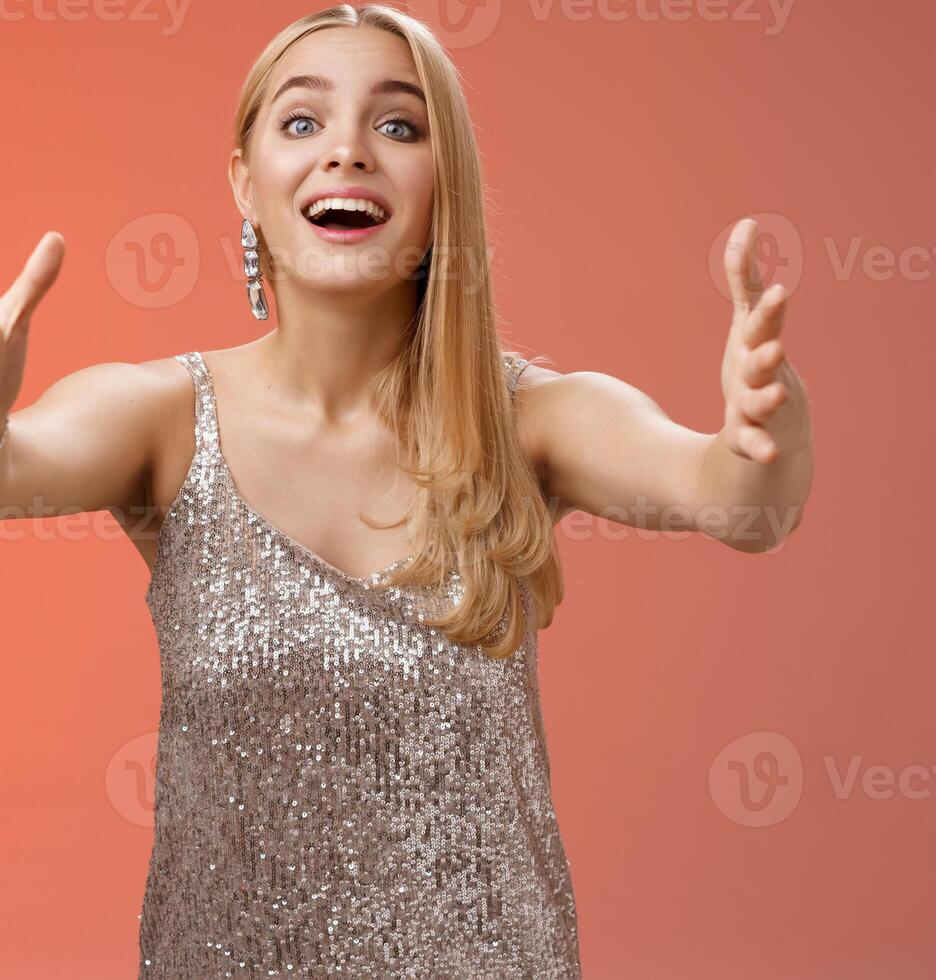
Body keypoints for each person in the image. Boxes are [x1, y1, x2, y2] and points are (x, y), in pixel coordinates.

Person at [0, 5, 814, 975]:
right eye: (302, 123)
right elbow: (17, 468)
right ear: (243, 182)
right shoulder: (160, 416)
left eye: (398, 125)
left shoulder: (529, 420)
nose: (347, 150)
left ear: (446, 186)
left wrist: (769, 427)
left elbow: (738, 502)